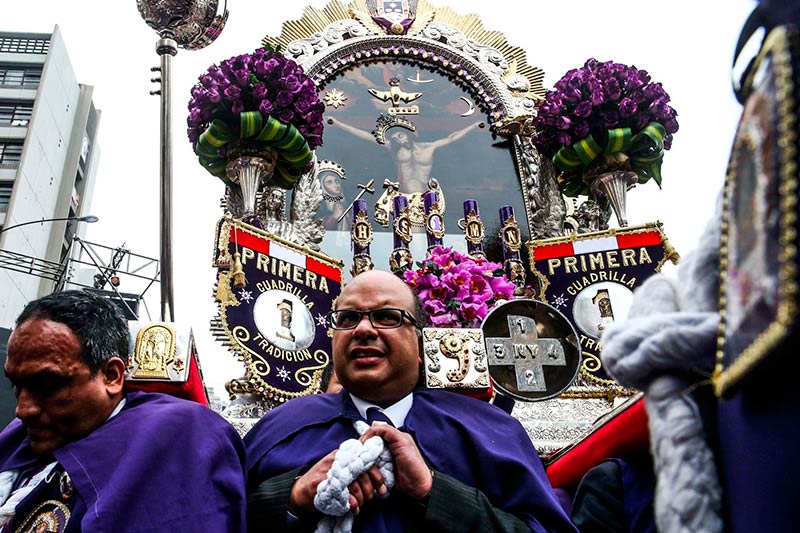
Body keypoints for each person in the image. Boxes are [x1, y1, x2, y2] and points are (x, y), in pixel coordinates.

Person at [245, 270, 576, 532]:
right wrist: (290, 499)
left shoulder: (487, 430)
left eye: (387, 317)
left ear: (420, 346)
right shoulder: (282, 429)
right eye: (348, 318)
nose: (362, 329)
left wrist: (435, 493)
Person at [0, 290, 247, 532]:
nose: (23, 410)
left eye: (47, 385)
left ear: (111, 376)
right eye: (17, 385)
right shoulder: (18, 438)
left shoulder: (179, 436)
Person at [330, 117, 482, 193]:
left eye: (400, 135)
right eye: (395, 137)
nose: (398, 139)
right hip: (403, 194)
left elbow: (451, 138)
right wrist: (337, 123)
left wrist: (473, 126)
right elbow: (364, 135)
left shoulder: (428, 147)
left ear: (409, 135)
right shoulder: (393, 149)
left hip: (425, 193)